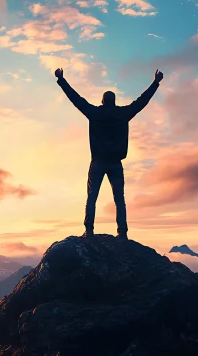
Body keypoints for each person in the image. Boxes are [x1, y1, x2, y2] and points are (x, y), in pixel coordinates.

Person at [55, 67, 163, 240]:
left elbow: (75, 99)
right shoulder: (123, 114)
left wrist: (61, 80)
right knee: (119, 198)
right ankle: (122, 232)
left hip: (97, 162)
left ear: (103, 101)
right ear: (114, 101)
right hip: (115, 163)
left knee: (92, 197)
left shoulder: (94, 113)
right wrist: (155, 83)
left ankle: (89, 230)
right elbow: (141, 102)